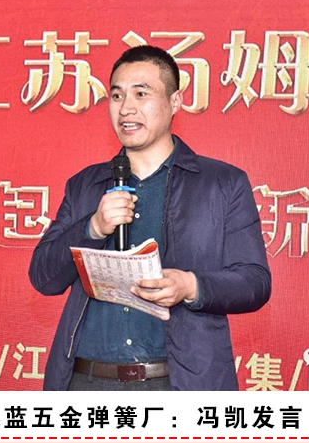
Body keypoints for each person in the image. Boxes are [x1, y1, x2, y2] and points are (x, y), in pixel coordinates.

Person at [29, 45, 271, 390]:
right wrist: (92, 228)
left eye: (141, 94)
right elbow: (43, 277)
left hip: (179, 384)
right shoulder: (85, 185)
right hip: (88, 382)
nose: (126, 108)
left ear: (175, 102)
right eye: (117, 95)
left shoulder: (222, 183)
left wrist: (191, 285)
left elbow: (255, 282)